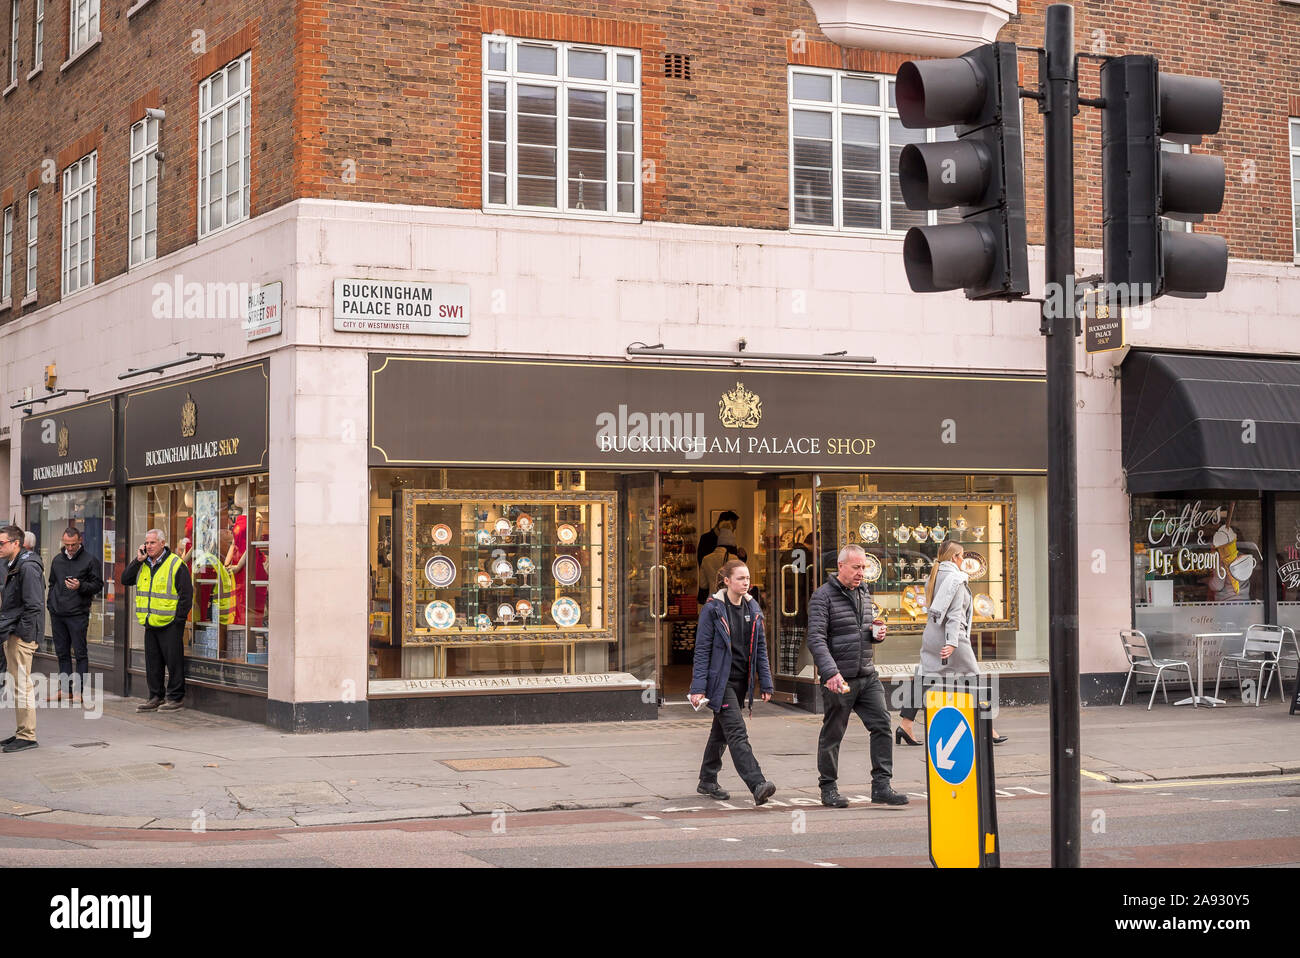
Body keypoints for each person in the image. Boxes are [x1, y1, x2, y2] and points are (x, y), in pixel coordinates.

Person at [805, 544, 909, 807]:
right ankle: (828, 788)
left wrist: (876, 635)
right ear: (840, 566)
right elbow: (816, 639)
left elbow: (858, 631)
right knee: (833, 733)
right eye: (856, 567)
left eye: (864, 567)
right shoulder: (822, 596)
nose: (861, 572)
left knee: (882, 726)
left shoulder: (863, 591)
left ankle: (881, 786)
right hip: (839, 678)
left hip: (866, 674)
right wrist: (830, 673)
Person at [689, 559, 777, 806]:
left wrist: (766, 683)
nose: (746, 582)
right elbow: (702, 650)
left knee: (721, 733)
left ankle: (707, 780)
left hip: (741, 683)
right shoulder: (713, 609)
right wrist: (697, 688)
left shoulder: (753, 609)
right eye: (740, 578)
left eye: (748, 578)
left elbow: (760, 649)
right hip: (721, 682)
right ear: (726, 581)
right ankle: (757, 783)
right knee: (737, 732)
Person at [905, 539, 1006, 745]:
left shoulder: (934, 575)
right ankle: (988, 729)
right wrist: (952, 642)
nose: (963, 560)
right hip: (953, 637)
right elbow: (954, 615)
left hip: (932, 636)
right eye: (962, 556)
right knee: (974, 678)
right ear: (955, 557)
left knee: (925, 676)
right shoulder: (956, 579)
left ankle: (905, 725)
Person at [122, 528, 193, 712]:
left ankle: (175, 698)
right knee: (153, 662)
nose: (148, 546)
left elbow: (186, 595)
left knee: (173, 661)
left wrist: (179, 620)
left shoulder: (175, 564)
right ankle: (155, 696)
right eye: (146, 542)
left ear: (163, 543)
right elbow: (125, 579)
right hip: (150, 621)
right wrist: (137, 561)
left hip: (170, 623)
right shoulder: (143, 563)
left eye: (152, 542)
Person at [46, 525, 104, 704]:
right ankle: (65, 690)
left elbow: (98, 585)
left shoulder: (90, 560)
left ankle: (78, 691)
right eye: (66, 544)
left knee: (80, 653)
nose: (69, 548)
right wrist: (51, 604)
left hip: (77, 613)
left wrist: (81, 586)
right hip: (58, 613)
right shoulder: (57, 560)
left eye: (72, 544)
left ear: (80, 541)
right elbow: (52, 583)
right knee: (62, 653)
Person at [0, 525, 45, 752]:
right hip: (14, 631)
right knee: (17, 684)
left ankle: (27, 736)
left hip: (21, 635)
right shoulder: (15, 564)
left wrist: (21, 633)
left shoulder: (26, 567)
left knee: (22, 686)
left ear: (15, 543)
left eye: (2, 543)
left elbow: (34, 605)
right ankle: (22, 731)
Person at [696, 510, 739, 602]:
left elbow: (703, 580)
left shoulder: (707, 558)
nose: (733, 529)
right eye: (733, 526)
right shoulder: (707, 539)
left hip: (711, 595)